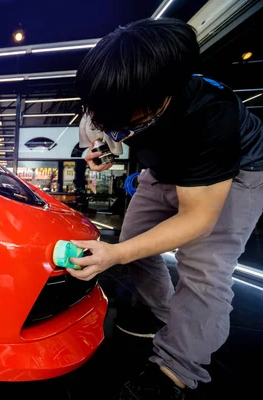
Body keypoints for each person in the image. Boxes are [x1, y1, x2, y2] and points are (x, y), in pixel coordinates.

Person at [70, 18, 263, 399]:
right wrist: (107, 151)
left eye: (121, 121)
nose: (101, 121)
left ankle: (175, 369)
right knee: (134, 242)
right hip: (162, 169)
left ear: (160, 100)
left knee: (205, 269)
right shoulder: (113, 99)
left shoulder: (211, 115)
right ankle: (162, 313)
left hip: (236, 172)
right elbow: (106, 132)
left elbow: (197, 218)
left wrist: (115, 254)